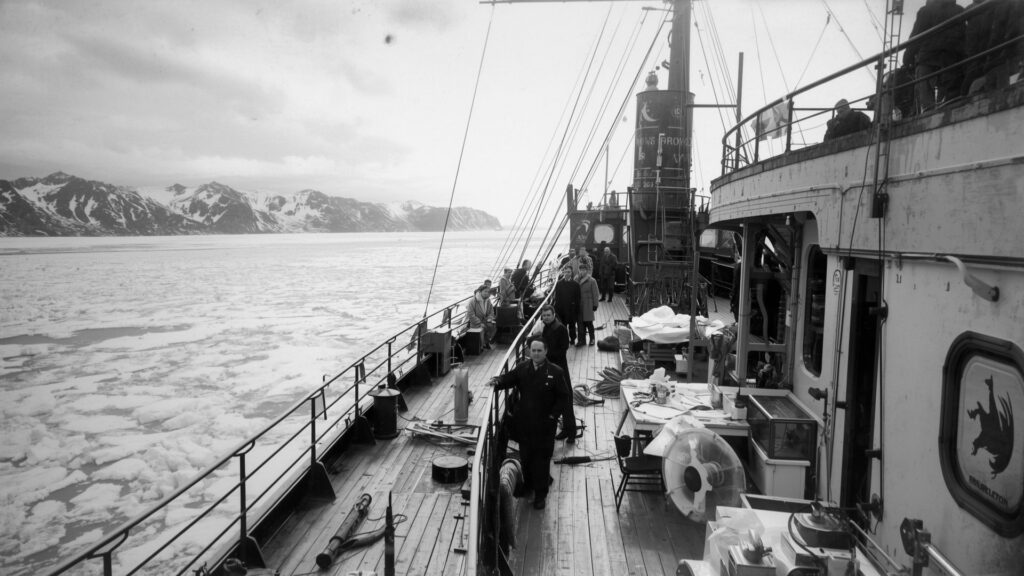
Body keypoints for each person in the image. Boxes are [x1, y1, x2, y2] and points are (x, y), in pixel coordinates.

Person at [488, 336, 571, 510]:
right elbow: (509, 378)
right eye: (533, 350)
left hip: (544, 426)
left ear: (546, 351)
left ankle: (541, 494)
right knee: (526, 457)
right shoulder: (523, 368)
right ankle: (529, 485)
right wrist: (497, 381)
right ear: (529, 351)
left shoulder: (556, 372)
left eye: (539, 350)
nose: (536, 353)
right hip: (525, 423)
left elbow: (563, 397)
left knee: (541, 460)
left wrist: (553, 416)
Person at [904, 0, 966, 113]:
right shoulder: (959, 10)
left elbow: (916, 36)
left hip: (928, 56)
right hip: (951, 57)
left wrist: (907, 57)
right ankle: (946, 108)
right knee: (948, 93)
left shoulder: (925, 11)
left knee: (925, 88)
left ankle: (928, 111)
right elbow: (963, 34)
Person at [537, 305, 577, 442]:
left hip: (559, 368)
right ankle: (566, 429)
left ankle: (571, 431)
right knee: (556, 400)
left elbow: (563, 349)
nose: (546, 317)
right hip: (550, 366)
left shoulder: (560, 329)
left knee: (566, 398)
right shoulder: (546, 327)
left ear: (554, 315)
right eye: (544, 315)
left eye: (548, 315)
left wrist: (546, 356)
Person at [552, 267, 581, 344]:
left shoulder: (576, 285)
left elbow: (578, 298)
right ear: (563, 273)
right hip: (561, 308)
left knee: (572, 325)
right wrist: (556, 309)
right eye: (565, 272)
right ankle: (564, 339)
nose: (567, 274)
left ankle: (573, 339)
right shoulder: (559, 284)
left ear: (571, 273)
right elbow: (557, 297)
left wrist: (577, 309)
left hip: (572, 308)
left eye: (569, 272)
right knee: (563, 325)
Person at [467, 285, 496, 349]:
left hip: (485, 320)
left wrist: (489, 318)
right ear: (480, 292)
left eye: (488, 292)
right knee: (484, 327)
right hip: (475, 322)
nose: (487, 293)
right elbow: (471, 315)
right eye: (485, 291)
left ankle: (486, 341)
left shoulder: (488, 300)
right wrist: (479, 323)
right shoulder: (472, 301)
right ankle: (482, 345)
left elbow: (491, 311)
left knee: (493, 326)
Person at [576, 269, 600, 346]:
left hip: (588, 304)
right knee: (580, 324)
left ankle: (592, 339)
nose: (581, 272)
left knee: (589, 323)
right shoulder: (576, 279)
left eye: (583, 270)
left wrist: (595, 304)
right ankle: (581, 340)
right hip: (579, 305)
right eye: (580, 270)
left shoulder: (592, 281)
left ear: (586, 271)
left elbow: (595, 293)